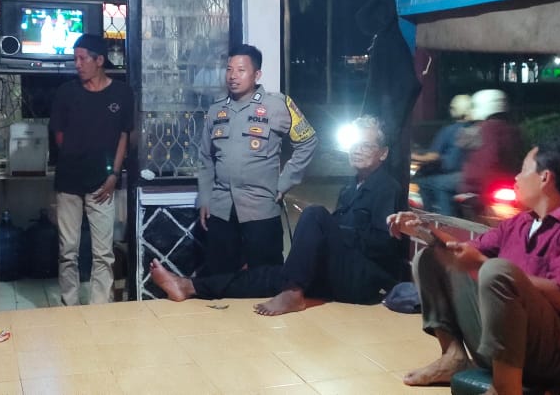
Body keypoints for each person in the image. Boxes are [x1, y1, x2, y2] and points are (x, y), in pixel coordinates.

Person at [386, 137, 560, 395]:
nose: (516, 178)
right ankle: (453, 356)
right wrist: (422, 229)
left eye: (523, 170)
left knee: (496, 271)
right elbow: (462, 253)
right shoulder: (520, 223)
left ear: (545, 178)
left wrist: (485, 265)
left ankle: (504, 388)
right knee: (431, 258)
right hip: (507, 343)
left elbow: (559, 298)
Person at [153, 116, 406, 314]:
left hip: (365, 281)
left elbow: (382, 244)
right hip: (339, 273)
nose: (358, 150)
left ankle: (294, 293)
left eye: (366, 146)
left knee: (315, 214)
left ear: (383, 153)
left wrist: (333, 234)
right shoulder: (350, 189)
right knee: (270, 275)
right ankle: (189, 286)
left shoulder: (387, 188)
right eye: (354, 145)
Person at [196, 44, 318, 276]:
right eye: (229, 69)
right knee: (218, 278)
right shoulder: (216, 110)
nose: (233, 76)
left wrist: (285, 183)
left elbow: (308, 141)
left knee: (266, 278)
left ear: (257, 74)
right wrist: (204, 198)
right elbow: (205, 158)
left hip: (261, 209)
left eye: (241, 70)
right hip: (221, 210)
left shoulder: (278, 105)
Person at [50, 34, 134, 305]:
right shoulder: (66, 93)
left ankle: (100, 308)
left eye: (82, 58)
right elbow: (58, 134)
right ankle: (70, 305)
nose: (77, 64)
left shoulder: (121, 93)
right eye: (75, 58)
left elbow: (124, 135)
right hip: (68, 182)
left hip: (103, 184)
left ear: (99, 60)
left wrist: (113, 174)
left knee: (103, 253)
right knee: (68, 250)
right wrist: (75, 156)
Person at [414, 94, 474, 216]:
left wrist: (413, 157)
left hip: (454, 175)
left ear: (455, 109)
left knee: (423, 181)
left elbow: (433, 156)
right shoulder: (475, 129)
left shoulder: (450, 130)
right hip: (469, 174)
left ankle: (435, 218)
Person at [458, 89, 523, 196]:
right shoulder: (514, 130)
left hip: (477, 184)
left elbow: (459, 153)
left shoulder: (476, 129)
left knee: (437, 183)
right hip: (509, 181)